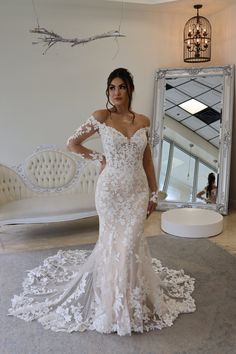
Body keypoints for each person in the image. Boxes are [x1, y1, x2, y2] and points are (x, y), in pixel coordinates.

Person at [8, 68, 195, 336]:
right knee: (113, 244)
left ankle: (129, 301)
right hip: (109, 192)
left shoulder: (143, 120)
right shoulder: (101, 117)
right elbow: (72, 143)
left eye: (121, 87)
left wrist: (154, 192)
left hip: (137, 191)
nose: (116, 92)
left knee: (130, 243)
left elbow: (147, 161)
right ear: (108, 92)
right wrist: (99, 159)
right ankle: (114, 307)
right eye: (111, 88)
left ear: (130, 88)